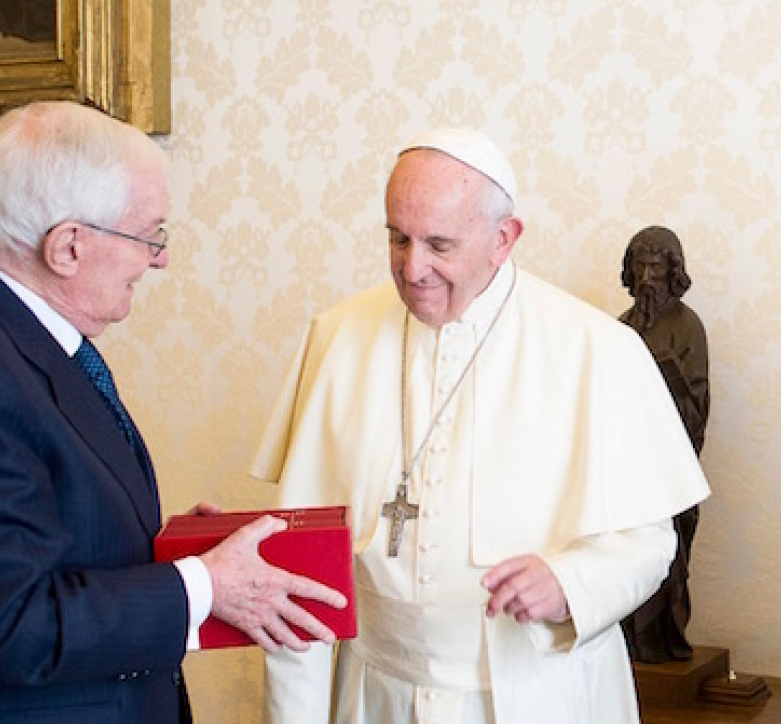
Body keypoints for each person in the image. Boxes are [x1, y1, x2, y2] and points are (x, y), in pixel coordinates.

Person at [0, 101, 346, 724]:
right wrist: (202, 586)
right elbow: (9, 624)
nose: (159, 259)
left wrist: (176, 553)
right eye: (149, 235)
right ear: (68, 247)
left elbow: (36, 530)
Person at [253, 127, 710, 723]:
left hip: (542, 696)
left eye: (439, 245)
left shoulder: (596, 349)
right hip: (377, 697)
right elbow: (301, 568)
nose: (412, 268)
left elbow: (650, 543)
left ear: (504, 238)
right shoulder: (338, 337)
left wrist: (570, 582)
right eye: (398, 238)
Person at [616, 225, 709, 664]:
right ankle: (628, 640)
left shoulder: (686, 326)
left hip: (669, 470)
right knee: (620, 552)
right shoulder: (620, 327)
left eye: (657, 266)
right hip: (624, 467)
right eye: (641, 265)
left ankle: (660, 640)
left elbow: (697, 399)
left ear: (672, 271)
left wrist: (662, 372)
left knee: (668, 558)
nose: (648, 276)